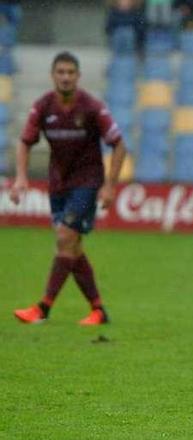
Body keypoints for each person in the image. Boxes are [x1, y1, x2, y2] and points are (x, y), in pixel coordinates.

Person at [10, 52, 127, 326]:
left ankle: (43, 308)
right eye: (61, 72)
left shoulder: (92, 107)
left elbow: (119, 144)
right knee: (71, 248)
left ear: (78, 76)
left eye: (70, 72)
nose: (65, 77)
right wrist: (21, 178)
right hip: (58, 184)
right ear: (53, 75)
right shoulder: (42, 107)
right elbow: (25, 142)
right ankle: (98, 310)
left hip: (87, 183)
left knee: (64, 238)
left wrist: (110, 186)